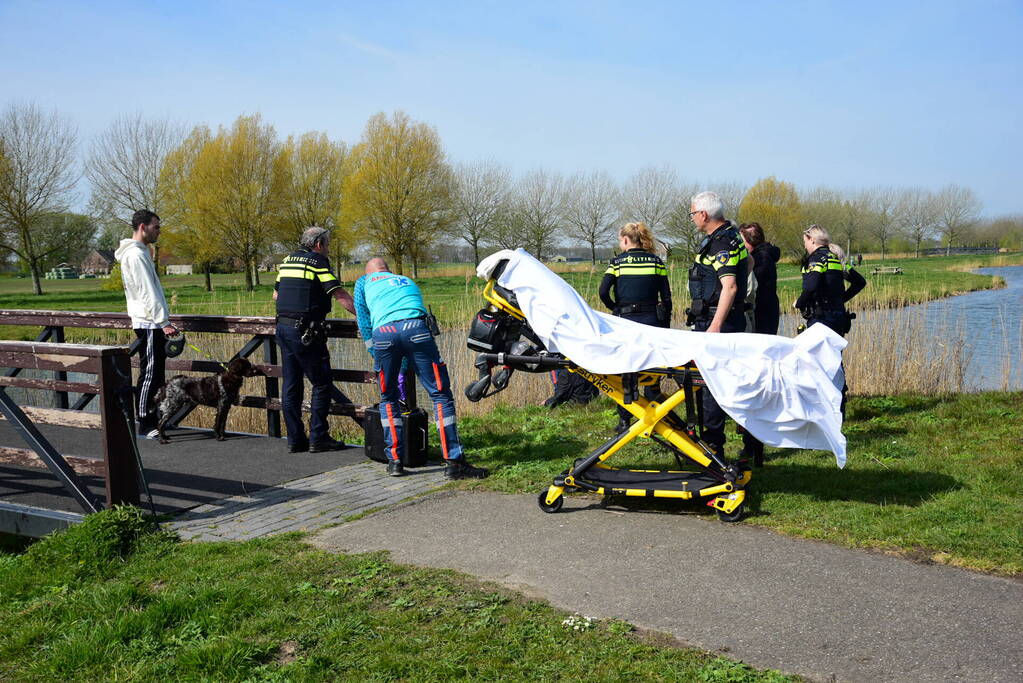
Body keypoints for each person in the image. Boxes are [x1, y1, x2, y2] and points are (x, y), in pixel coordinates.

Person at [357, 257, 487, 479]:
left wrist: (375, 352)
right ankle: (454, 462)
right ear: (387, 269)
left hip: (384, 335)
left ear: (369, 272)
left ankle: (395, 461)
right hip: (416, 329)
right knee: (440, 395)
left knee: (388, 398)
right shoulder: (405, 280)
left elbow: (363, 320)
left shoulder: (364, 282)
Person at [273, 227, 356, 453]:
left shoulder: (288, 260)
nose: (328, 249)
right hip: (305, 331)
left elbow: (276, 294)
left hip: (283, 328)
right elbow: (338, 294)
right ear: (319, 244)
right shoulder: (318, 261)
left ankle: (295, 439)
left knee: (291, 385)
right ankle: (318, 437)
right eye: (327, 244)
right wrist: (365, 316)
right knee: (322, 383)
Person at [686, 191, 749, 458]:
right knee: (719, 383)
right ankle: (741, 443)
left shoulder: (720, 243)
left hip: (716, 322)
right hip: (723, 318)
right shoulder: (732, 235)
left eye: (692, 213)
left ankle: (713, 447)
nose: (691, 218)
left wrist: (714, 326)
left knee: (711, 385)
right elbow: (749, 263)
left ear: (703, 214)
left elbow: (730, 286)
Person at [599, 221, 672, 433]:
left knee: (626, 370)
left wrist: (615, 309)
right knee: (652, 369)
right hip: (651, 321)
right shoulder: (656, 262)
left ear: (625, 240)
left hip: (625, 321)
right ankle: (654, 416)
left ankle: (624, 420)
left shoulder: (617, 263)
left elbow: (603, 292)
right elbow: (666, 297)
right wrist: (664, 322)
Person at [116, 209, 177, 439]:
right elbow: (146, 291)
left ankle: (156, 419)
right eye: (156, 227)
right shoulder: (136, 255)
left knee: (157, 373)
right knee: (150, 372)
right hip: (149, 322)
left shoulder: (141, 252)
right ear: (143, 227)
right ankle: (144, 421)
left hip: (153, 321)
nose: (158, 231)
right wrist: (163, 321)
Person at [793, 224, 867, 415]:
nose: (805, 245)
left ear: (811, 239)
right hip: (837, 318)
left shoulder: (817, 259)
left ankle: (823, 410)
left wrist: (799, 303)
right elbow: (860, 282)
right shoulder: (835, 258)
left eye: (805, 241)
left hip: (821, 319)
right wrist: (841, 299)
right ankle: (838, 407)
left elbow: (811, 286)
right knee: (834, 362)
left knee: (816, 363)